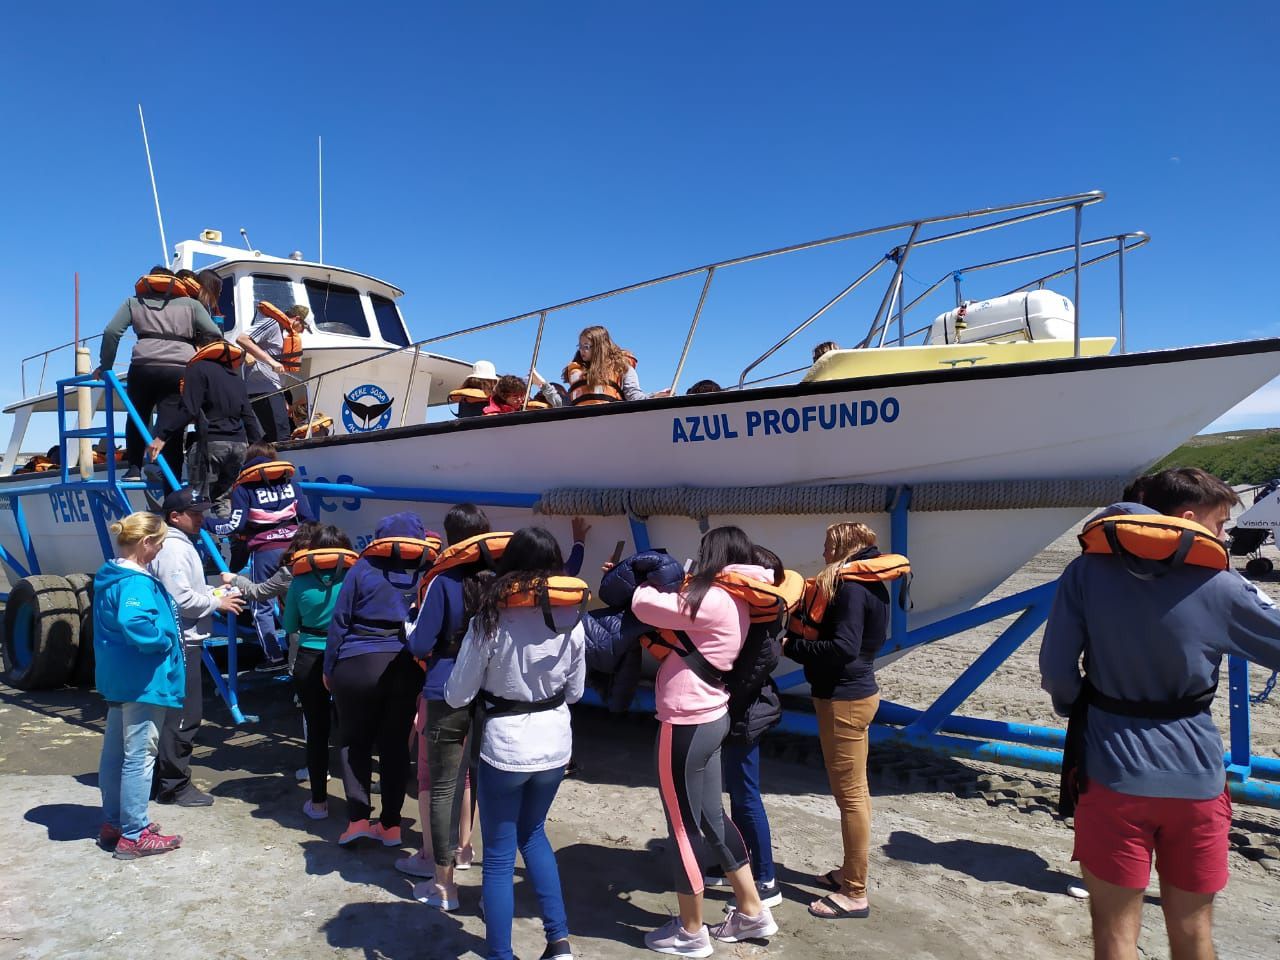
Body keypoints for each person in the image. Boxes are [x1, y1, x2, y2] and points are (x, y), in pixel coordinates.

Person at [1040, 467, 1280, 960]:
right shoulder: (1220, 583)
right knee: (1193, 934)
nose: (1222, 536)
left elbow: (1057, 670)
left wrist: (1078, 706)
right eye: (1219, 524)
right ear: (1189, 518)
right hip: (1195, 779)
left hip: (1111, 774)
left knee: (1113, 935)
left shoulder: (1084, 572)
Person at [630, 526, 779, 954]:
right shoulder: (738, 597)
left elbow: (645, 606)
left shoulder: (714, 597)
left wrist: (643, 578)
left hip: (685, 722)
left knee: (682, 827)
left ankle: (690, 932)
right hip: (711, 715)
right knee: (713, 818)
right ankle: (752, 911)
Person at [444, 526, 587, 960]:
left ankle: (501, 954)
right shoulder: (572, 617)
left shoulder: (491, 618)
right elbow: (577, 691)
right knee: (535, 834)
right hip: (555, 745)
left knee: (501, 854)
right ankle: (558, 941)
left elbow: (456, 694)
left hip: (505, 748)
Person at [782, 521, 893, 920]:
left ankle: (854, 893)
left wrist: (790, 645)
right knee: (855, 794)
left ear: (844, 546)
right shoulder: (875, 582)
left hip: (843, 699)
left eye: (829, 544)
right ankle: (849, 872)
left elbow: (843, 647)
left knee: (850, 798)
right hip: (859, 693)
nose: (824, 552)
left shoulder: (849, 586)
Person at [403, 503, 494, 900]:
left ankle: (443, 884)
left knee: (441, 785)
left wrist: (410, 628)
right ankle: (465, 849)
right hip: (488, 691)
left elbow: (421, 643)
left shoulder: (442, 582)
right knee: (472, 776)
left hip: (445, 687)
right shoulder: (499, 581)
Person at [325, 512, 433, 846]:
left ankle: (357, 821)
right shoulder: (428, 572)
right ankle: (391, 826)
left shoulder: (361, 569)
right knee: (395, 746)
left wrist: (329, 669)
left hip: (355, 663)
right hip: (405, 665)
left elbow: (339, 622)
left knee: (354, 741)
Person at [92, 511, 187, 860]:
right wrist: (163, 640)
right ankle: (134, 834)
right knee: (139, 757)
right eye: (159, 543)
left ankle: (115, 822)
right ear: (146, 542)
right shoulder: (135, 582)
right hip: (143, 679)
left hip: (119, 677)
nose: (160, 550)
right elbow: (135, 621)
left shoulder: (111, 575)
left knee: (115, 754)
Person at [148, 487, 245, 806]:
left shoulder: (176, 544)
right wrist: (217, 603)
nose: (201, 518)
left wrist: (216, 594)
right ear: (175, 516)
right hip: (180, 643)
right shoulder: (174, 549)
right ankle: (174, 785)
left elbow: (189, 590)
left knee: (169, 715)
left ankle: (157, 780)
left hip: (177, 640)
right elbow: (181, 598)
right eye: (195, 513)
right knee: (184, 717)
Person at [705, 544, 787, 907]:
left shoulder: (761, 628)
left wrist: (714, 693)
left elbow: (744, 679)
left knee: (746, 796)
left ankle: (766, 879)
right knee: (739, 794)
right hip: (744, 713)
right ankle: (739, 864)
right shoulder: (759, 617)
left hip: (745, 717)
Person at [96, 265, 224, 479]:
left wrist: (105, 366)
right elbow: (214, 332)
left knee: (138, 415)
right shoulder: (192, 305)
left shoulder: (133, 302)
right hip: (179, 368)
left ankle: (134, 468)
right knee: (171, 420)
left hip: (143, 367)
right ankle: (171, 474)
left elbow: (111, 332)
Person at [204, 442, 315, 669]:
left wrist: (204, 522)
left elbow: (234, 525)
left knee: (261, 604)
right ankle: (303, 653)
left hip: (264, 552)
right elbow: (308, 519)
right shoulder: (291, 481)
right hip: (295, 550)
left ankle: (274, 657)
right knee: (298, 599)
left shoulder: (243, 488)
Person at [282, 524, 355, 819]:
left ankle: (319, 803)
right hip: (347, 656)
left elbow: (289, 626)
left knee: (317, 732)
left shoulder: (299, 582)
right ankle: (358, 809)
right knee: (353, 732)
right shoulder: (354, 578)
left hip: (309, 658)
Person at [148, 331, 263, 518]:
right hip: (239, 446)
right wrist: (259, 446)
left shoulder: (198, 368)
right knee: (225, 500)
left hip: (211, 444)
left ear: (199, 348)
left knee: (197, 500)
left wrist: (162, 436)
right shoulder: (235, 377)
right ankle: (229, 542)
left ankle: (204, 543)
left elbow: (189, 409)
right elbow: (248, 415)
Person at [238, 301, 310, 443]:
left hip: (272, 389)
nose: (302, 331)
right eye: (304, 327)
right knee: (281, 435)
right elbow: (242, 339)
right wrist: (271, 361)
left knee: (277, 433)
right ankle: (281, 462)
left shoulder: (284, 334)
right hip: (263, 389)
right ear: (297, 319)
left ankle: (265, 459)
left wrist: (282, 397)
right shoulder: (272, 323)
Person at [561, 325, 666, 405]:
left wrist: (655, 396)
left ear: (599, 347)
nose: (582, 350)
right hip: (580, 422)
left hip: (610, 421)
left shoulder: (621, 367)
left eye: (586, 346)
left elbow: (634, 396)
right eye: (580, 346)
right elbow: (569, 402)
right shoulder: (577, 370)